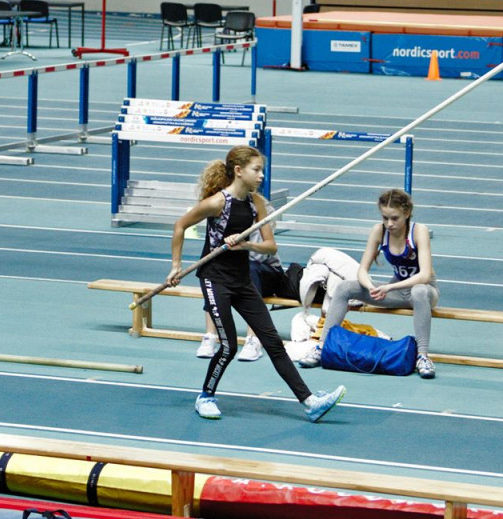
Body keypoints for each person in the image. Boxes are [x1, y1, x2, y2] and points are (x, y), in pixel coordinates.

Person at [167, 145, 346, 421]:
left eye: (262, 169)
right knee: (227, 346)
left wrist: (246, 244)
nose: (261, 175)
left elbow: (271, 247)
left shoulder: (257, 203)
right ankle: (206, 396)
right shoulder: (218, 203)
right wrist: (176, 266)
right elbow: (180, 225)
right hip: (216, 281)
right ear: (239, 171)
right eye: (256, 169)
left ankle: (310, 402)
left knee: (272, 342)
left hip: (242, 281)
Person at [299, 188, 439, 379]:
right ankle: (323, 346)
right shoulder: (379, 231)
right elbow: (362, 270)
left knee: (419, 291)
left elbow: (424, 275)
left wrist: (389, 287)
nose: (389, 223)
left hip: (425, 292)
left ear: (407, 213)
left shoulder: (419, 231)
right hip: (397, 292)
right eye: (385, 218)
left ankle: (422, 357)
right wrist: (371, 287)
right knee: (344, 288)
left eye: (395, 218)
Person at [196, 200, 291, 363]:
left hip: (267, 271)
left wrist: (243, 246)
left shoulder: (260, 208)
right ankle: (210, 336)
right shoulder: (220, 207)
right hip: (234, 271)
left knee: (250, 268)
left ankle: (253, 340)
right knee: (212, 271)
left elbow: (263, 253)